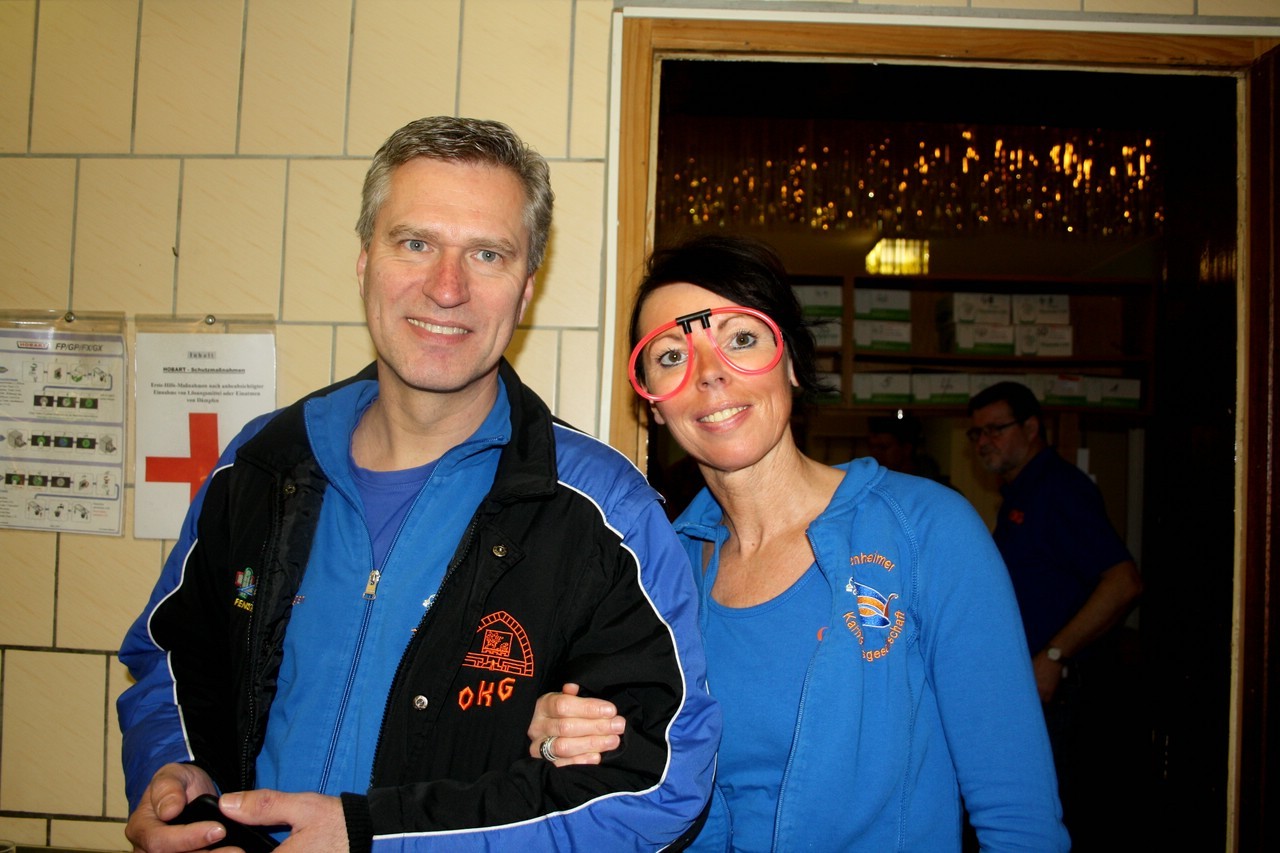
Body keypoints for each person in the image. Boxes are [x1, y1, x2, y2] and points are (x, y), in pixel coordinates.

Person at [116, 116, 719, 853]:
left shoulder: (600, 510)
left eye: (487, 254)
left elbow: (658, 788)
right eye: (415, 244)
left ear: (526, 290)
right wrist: (173, 769)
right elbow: (169, 658)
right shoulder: (260, 465)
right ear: (365, 261)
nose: (446, 288)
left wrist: (377, 837)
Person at [529, 235, 1069, 851]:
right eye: (672, 356)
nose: (709, 373)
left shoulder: (926, 531)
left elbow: (1019, 817)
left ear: (790, 363)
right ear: (652, 404)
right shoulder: (652, 575)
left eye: (741, 339)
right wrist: (562, 739)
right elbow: (638, 785)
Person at [966, 380, 1144, 849]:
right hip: (1037, 688)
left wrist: (1055, 655)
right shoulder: (1020, 492)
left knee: (1060, 811)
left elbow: (1123, 581)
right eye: (977, 433)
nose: (984, 441)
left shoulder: (1059, 489)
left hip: (1068, 692)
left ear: (1031, 429)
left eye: (996, 429)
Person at [865, 411, 950, 485]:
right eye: (872, 447)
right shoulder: (868, 484)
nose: (876, 453)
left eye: (883, 447)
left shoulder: (936, 488)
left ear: (906, 449)